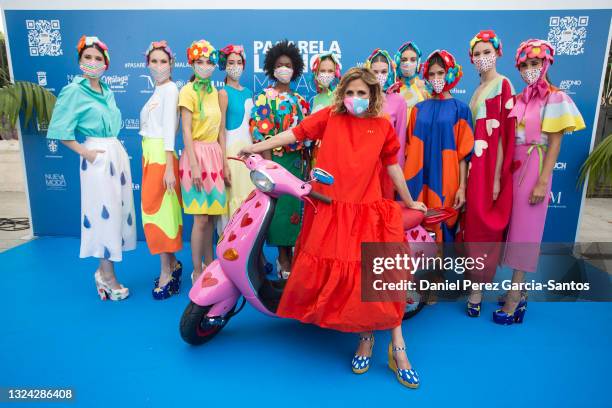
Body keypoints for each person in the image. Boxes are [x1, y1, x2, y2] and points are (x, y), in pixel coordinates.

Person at [241, 67, 427, 389]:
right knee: (353, 278)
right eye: (351, 92)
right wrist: (256, 147)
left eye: (362, 93)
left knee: (383, 275)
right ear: (343, 93)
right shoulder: (329, 117)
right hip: (331, 209)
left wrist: (410, 201)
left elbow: (393, 166)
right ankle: (366, 339)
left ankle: (398, 347)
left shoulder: (382, 127)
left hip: (367, 210)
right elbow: (294, 134)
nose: (355, 99)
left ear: (372, 96)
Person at [498, 39, 585, 324]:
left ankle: (513, 298)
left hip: (535, 170)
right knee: (511, 231)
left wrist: (542, 181)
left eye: (534, 64)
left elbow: (555, 145)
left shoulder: (556, 98)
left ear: (546, 64)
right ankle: (519, 290)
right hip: (513, 168)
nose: (528, 70)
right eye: (523, 65)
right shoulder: (521, 98)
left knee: (525, 234)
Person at [46, 35, 136, 300]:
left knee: (115, 215)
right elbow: (60, 129)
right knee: (101, 216)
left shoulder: (106, 91)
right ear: (80, 60)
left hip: (114, 155)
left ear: (105, 63)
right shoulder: (73, 90)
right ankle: (107, 277)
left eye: (98, 58)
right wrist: (86, 152)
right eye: (88, 57)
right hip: (96, 158)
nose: (93, 62)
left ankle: (103, 272)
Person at [249, 40, 309, 279]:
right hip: (276, 163)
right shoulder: (264, 98)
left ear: (295, 69)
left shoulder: (300, 100)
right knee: (280, 212)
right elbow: (261, 133)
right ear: (272, 69)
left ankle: (292, 253)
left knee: (295, 211)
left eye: (289, 65)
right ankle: (283, 257)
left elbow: (307, 135)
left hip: (297, 164)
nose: (284, 68)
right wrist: (267, 165)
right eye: (280, 65)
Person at [404, 50, 475, 242]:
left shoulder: (461, 109)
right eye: (432, 74)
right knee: (416, 227)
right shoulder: (419, 109)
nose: (436, 78)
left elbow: (464, 153)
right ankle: (417, 271)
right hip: (418, 179)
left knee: (444, 225)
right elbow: (409, 148)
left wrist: (462, 187)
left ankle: (440, 271)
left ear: (450, 74)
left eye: (441, 73)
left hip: (447, 180)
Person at [179, 39, 228, 283]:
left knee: (210, 217)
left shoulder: (216, 92)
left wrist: (225, 162)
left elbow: (221, 131)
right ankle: (196, 271)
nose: (205, 66)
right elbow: (185, 131)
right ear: (192, 63)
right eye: (200, 62)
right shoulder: (187, 91)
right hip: (195, 156)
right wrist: (195, 164)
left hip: (214, 155)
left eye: (209, 62)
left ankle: (210, 264)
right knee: (199, 218)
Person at [139, 40, 183, 299]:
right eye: (154, 61)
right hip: (150, 157)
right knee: (158, 212)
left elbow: (170, 129)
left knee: (160, 214)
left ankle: (167, 271)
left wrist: (168, 167)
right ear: (148, 64)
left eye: (163, 61)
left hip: (161, 158)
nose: (158, 66)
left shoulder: (170, 90)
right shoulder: (157, 92)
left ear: (171, 64)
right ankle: (173, 264)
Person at [216, 44, 255, 232]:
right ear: (224, 65)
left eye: (239, 62)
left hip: (250, 154)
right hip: (232, 154)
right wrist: (224, 163)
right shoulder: (223, 93)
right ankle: (232, 252)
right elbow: (220, 131)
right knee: (235, 202)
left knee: (250, 201)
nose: (235, 66)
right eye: (231, 62)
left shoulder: (249, 93)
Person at [365, 49, 408, 198]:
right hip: (364, 166)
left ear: (390, 72)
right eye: (375, 72)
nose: (379, 76)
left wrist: (399, 174)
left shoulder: (399, 101)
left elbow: (400, 140)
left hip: (387, 168)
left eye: (383, 71)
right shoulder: (362, 99)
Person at [394, 41, 430, 125]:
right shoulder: (392, 88)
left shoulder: (425, 88)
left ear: (418, 63)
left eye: (413, 60)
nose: (408, 63)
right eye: (404, 60)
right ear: (398, 62)